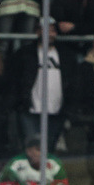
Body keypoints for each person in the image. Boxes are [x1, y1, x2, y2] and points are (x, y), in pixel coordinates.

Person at [10, 17, 71, 152]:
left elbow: (72, 82)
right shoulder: (25, 54)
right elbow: (15, 80)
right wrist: (19, 103)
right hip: (30, 111)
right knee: (32, 150)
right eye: (46, 30)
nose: (50, 34)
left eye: (53, 30)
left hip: (56, 112)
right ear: (37, 31)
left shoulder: (65, 55)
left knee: (50, 151)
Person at [0, 135, 70, 185]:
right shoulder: (16, 163)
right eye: (39, 149)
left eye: (45, 149)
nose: (42, 153)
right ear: (28, 151)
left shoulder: (54, 163)